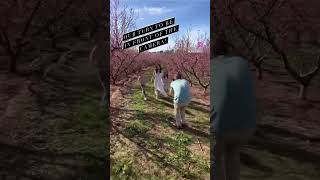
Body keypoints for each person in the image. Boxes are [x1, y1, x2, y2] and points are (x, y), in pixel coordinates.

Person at [211, 32, 258, 180]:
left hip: (221, 126)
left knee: (216, 159)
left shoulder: (211, 66)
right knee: (233, 154)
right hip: (246, 125)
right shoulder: (242, 63)